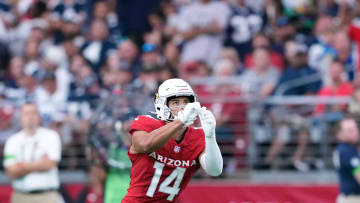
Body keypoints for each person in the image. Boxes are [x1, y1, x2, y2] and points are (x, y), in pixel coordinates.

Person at [122, 78, 223, 202]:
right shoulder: (146, 123)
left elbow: (215, 170)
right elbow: (144, 145)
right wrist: (180, 122)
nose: (182, 107)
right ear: (162, 105)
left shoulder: (198, 136)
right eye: (175, 102)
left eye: (186, 102)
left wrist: (210, 137)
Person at [3, 103, 62, 203]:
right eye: (26, 113)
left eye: (33, 113)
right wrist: (39, 164)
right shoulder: (12, 141)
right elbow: (11, 172)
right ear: (21, 117)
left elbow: (49, 164)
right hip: (21, 196)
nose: (30, 117)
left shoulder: (51, 136)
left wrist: (21, 166)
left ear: (39, 116)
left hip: (47, 196)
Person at [333, 116, 360, 203]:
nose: (355, 132)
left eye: (355, 128)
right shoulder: (346, 150)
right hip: (352, 199)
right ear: (339, 134)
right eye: (350, 130)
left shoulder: (348, 148)